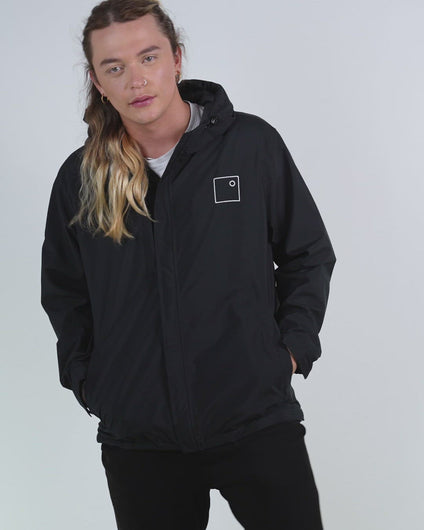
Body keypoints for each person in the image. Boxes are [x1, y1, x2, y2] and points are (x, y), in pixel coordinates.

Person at [40, 1, 336, 528]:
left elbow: (306, 254)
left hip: (255, 420)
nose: (136, 79)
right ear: (98, 82)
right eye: (115, 67)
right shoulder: (80, 179)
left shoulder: (249, 146)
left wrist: (289, 353)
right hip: (141, 441)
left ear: (177, 59)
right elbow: (65, 292)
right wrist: (90, 381)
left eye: (148, 57)